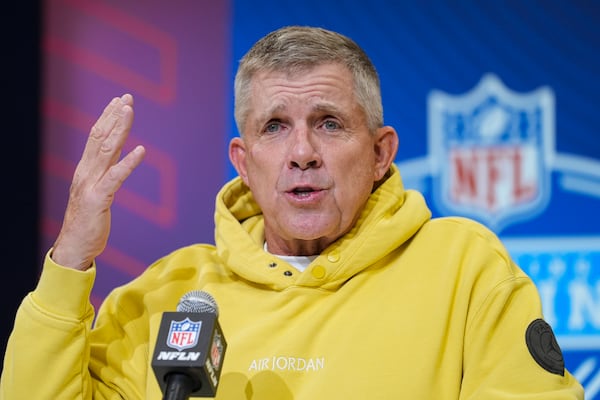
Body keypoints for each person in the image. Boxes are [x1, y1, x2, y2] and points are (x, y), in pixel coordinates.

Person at [0, 26, 584, 399]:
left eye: (329, 123)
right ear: (244, 161)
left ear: (381, 153)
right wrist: (71, 255)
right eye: (275, 127)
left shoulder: (463, 268)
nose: (303, 153)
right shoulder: (168, 295)